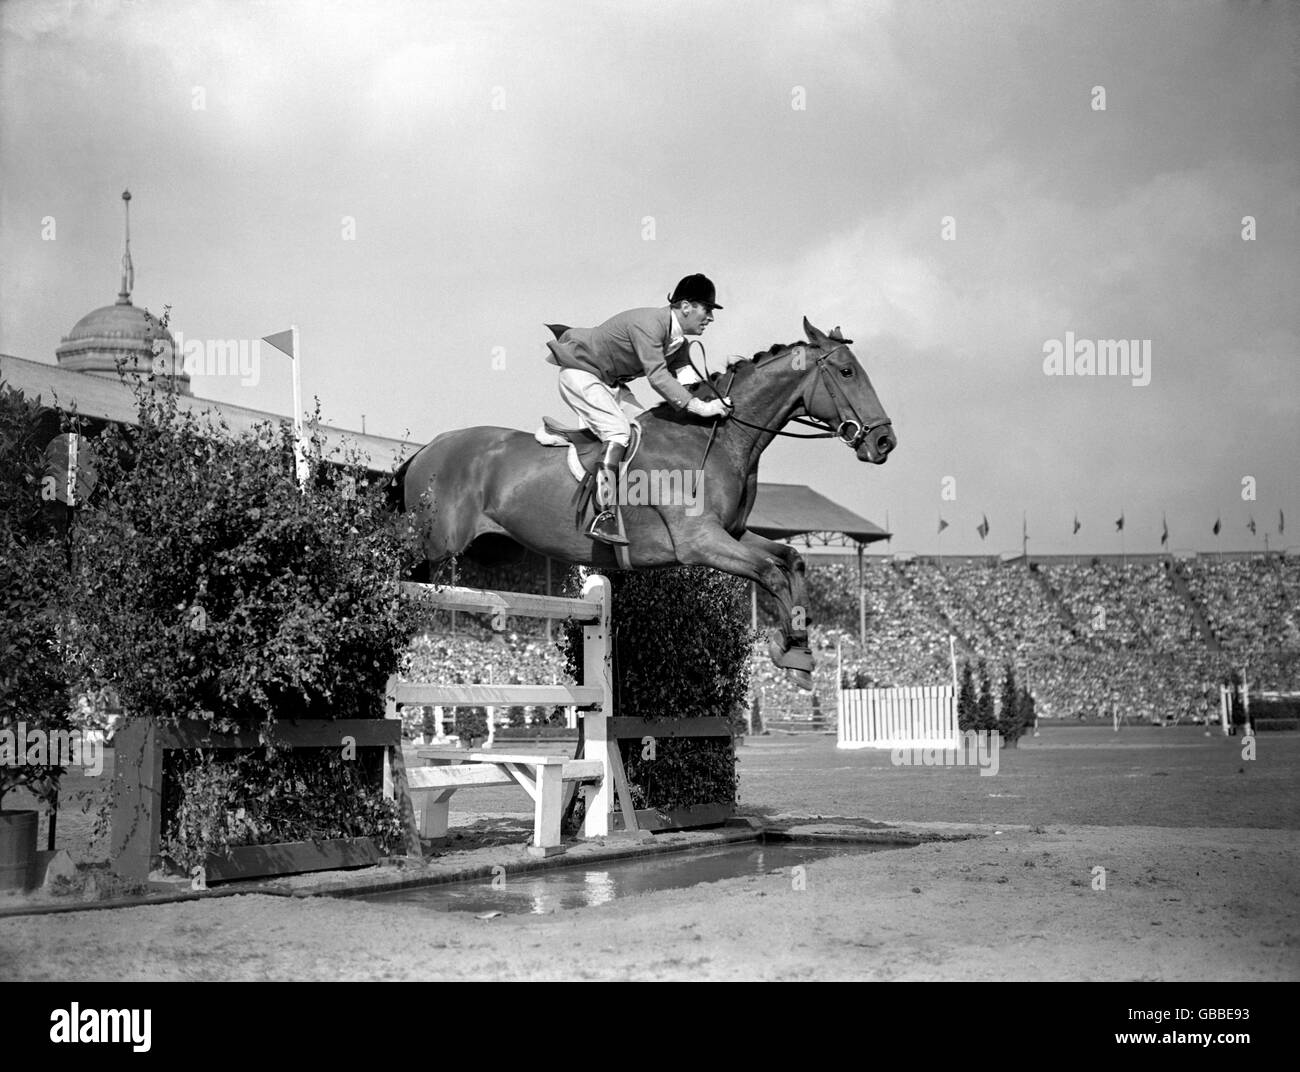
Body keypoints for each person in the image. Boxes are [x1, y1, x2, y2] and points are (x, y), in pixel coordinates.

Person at [546, 274, 734, 545]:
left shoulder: (677, 340)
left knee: (647, 432)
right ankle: (604, 516)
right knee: (619, 432)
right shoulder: (649, 324)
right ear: (685, 306)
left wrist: (717, 400)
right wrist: (701, 409)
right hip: (581, 374)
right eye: (707, 309)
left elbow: (685, 379)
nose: (710, 317)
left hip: (609, 383)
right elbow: (658, 377)